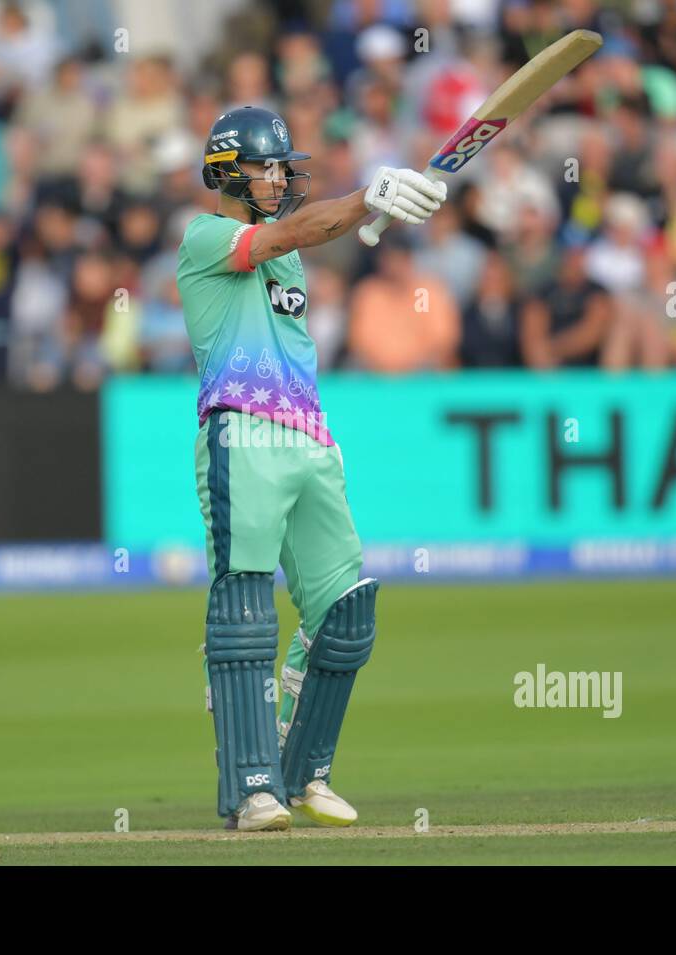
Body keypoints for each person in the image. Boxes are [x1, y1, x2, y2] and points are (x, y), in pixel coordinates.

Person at [176, 106, 444, 832]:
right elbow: (292, 230)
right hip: (242, 430)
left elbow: (305, 235)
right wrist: (367, 197)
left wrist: (384, 211)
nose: (276, 179)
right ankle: (250, 787)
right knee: (245, 606)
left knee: (346, 610)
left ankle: (303, 772)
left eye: (280, 168)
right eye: (265, 168)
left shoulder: (287, 254)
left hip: (307, 436)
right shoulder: (207, 237)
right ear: (229, 172)